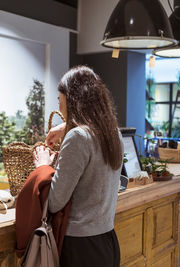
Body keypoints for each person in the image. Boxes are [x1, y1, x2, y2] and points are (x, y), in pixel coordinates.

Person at [33, 65, 123, 267]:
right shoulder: (114, 134)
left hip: (81, 248)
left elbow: (55, 202)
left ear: (71, 99)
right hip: (107, 242)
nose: (60, 107)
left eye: (60, 100)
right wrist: (66, 126)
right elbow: (93, 129)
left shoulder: (77, 138)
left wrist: (42, 167)